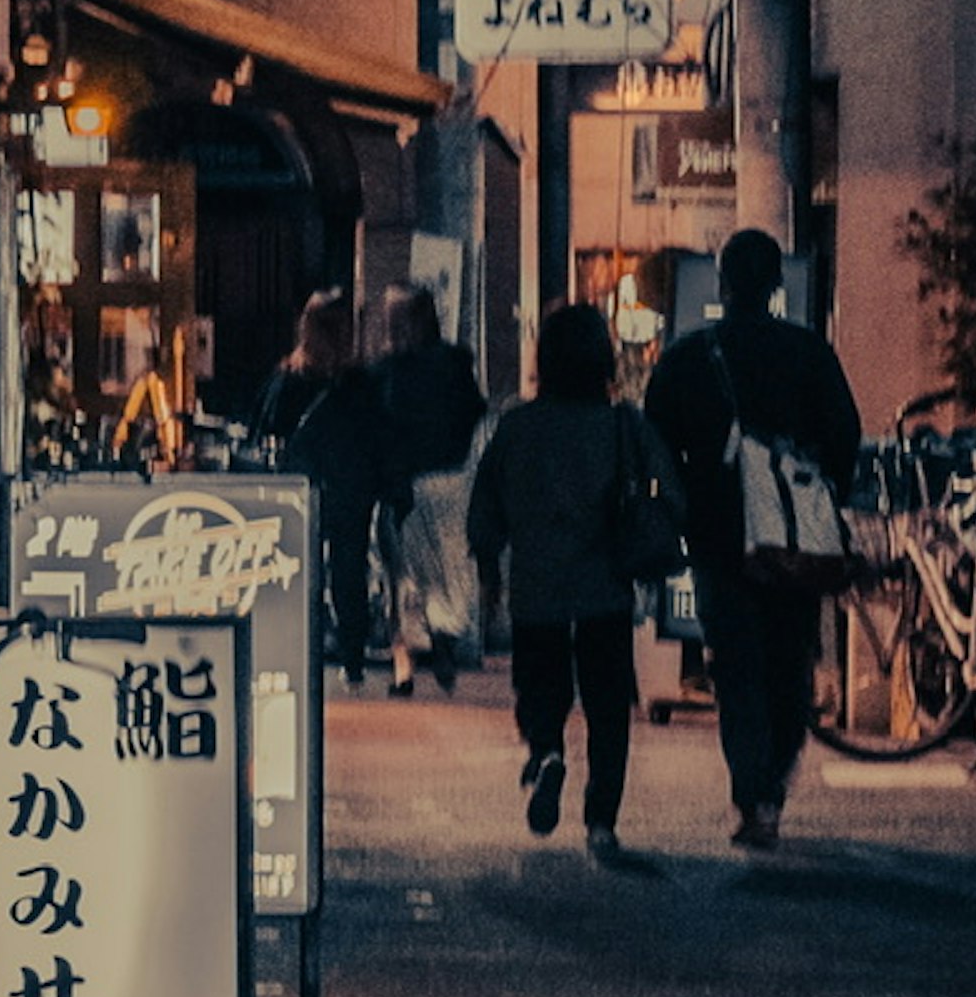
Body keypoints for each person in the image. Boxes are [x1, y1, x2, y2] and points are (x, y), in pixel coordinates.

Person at [648, 224, 864, 851]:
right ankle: (771, 784)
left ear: (722, 283)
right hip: (793, 541)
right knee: (788, 663)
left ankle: (754, 799)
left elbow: (655, 440)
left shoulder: (689, 356)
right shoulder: (808, 352)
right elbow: (844, 435)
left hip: (717, 536)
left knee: (736, 668)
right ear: (775, 287)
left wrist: (682, 504)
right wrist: (819, 499)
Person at [467, 297, 680, 860]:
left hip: (536, 587)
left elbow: (485, 502)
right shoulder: (621, 424)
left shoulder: (517, 426)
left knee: (541, 686)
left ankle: (548, 753)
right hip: (604, 585)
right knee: (608, 703)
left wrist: (489, 564)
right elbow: (671, 490)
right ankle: (602, 820)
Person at [260, 286, 389, 682]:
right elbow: (377, 435)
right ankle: (351, 656)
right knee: (348, 571)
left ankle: (301, 648)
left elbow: (268, 428)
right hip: (351, 486)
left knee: (300, 568)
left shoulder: (290, 378)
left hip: (304, 486)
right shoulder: (360, 381)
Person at [370, 281, 485, 693]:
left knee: (398, 576)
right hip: (450, 481)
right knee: (448, 571)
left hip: (400, 486)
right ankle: (444, 635)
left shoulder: (383, 372)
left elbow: (372, 427)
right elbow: (475, 410)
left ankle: (403, 665)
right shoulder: (454, 363)